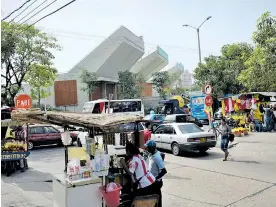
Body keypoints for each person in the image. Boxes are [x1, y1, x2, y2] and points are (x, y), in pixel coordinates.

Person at [145, 140, 167, 207]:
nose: (147, 149)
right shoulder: (151, 154)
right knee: (153, 199)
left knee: (156, 200)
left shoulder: (157, 157)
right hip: (151, 181)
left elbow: (164, 171)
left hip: (156, 183)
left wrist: (155, 178)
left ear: (151, 148)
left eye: (148, 147)